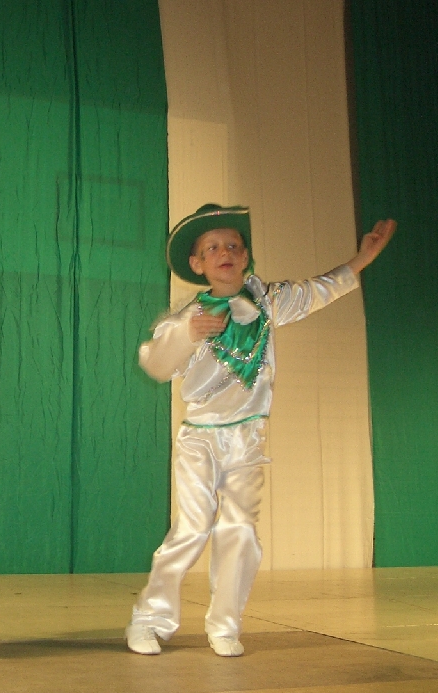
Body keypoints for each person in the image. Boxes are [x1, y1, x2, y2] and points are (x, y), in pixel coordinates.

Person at [125, 204, 395, 657]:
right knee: (192, 527)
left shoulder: (267, 303)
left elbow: (318, 290)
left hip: (248, 439)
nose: (225, 252)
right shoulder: (187, 318)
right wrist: (187, 334)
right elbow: (155, 364)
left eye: (233, 245)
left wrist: (363, 257)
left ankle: (225, 625)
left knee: (240, 531)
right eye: (213, 247)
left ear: (246, 255)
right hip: (201, 438)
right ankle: (150, 620)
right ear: (197, 264)